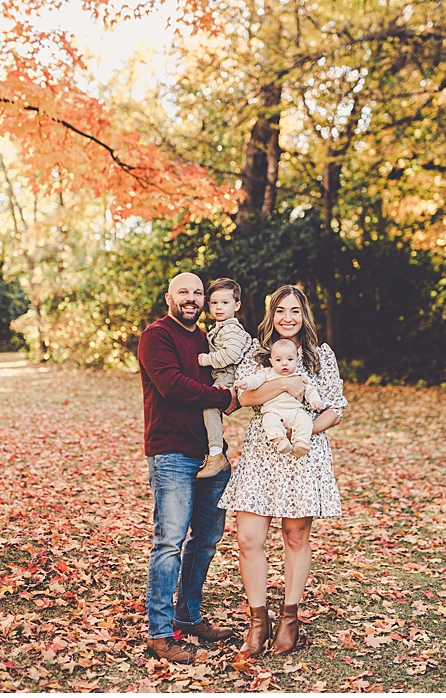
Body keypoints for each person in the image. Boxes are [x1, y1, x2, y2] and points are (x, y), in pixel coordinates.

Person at [217, 285, 345, 658]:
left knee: (294, 537)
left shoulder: (321, 357)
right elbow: (241, 400)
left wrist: (303, 426)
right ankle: (258, 621)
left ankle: (289, 618)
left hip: (302, 456)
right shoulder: (255, 355)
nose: (287, 318)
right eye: (280, 311)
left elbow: (335, 409)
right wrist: (284, 384)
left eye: (294, 310)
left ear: (304, 315)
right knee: (248, 540)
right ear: (270, 315)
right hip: (262, 453)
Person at [138, 272, 239, 664]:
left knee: (206, 540)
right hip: (172, 453)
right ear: (169, 297)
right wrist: (225, 396)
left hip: (211, 454)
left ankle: (188, 615)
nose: (192, 298)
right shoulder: (157, 336)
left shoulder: (207, 338)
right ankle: (160, 633)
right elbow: (174, 387)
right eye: (184, 292)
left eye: (198, 292)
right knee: (169, 543)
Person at [196, 278, 253, 479]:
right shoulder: (221, 327)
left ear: (237, 305)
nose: (219, 307)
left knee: (209, 406)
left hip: (229, 376)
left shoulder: (230, 328)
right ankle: (214, 452)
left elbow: (232, 355)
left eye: (225, 303)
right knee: (210, 409)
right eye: (214, 303)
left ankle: (215, 454)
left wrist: (206, 360)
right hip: (223, 375)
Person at [236, 337, 325, 456]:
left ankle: (301, 443)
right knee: (268, 421)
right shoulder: (267, 373)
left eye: (289, 359)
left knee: (305, 420)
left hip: (295, 411)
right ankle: (280, 441)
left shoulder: (299, 376)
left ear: (297, 360)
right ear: (271, 361)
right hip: (273, 411)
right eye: (278, 360)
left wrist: (315, 401)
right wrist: (246, 383)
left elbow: (310, 390)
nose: (284, 363)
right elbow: (255, 380)